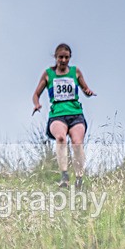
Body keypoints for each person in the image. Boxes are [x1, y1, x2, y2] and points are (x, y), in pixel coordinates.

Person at [32, 43, 95, 190]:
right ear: (55, 57)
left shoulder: (75, 72)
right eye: (61, 57)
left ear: (70, 58)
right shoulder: (48, 74)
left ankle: (79, 178)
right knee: (60, 138)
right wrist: (37, 104)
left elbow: (85, 89)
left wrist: (88, 92)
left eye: (66, 57)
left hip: (75, 114)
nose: (64, 60)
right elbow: (36, 94)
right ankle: (64, 176)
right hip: (57, 114)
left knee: (77, 143)